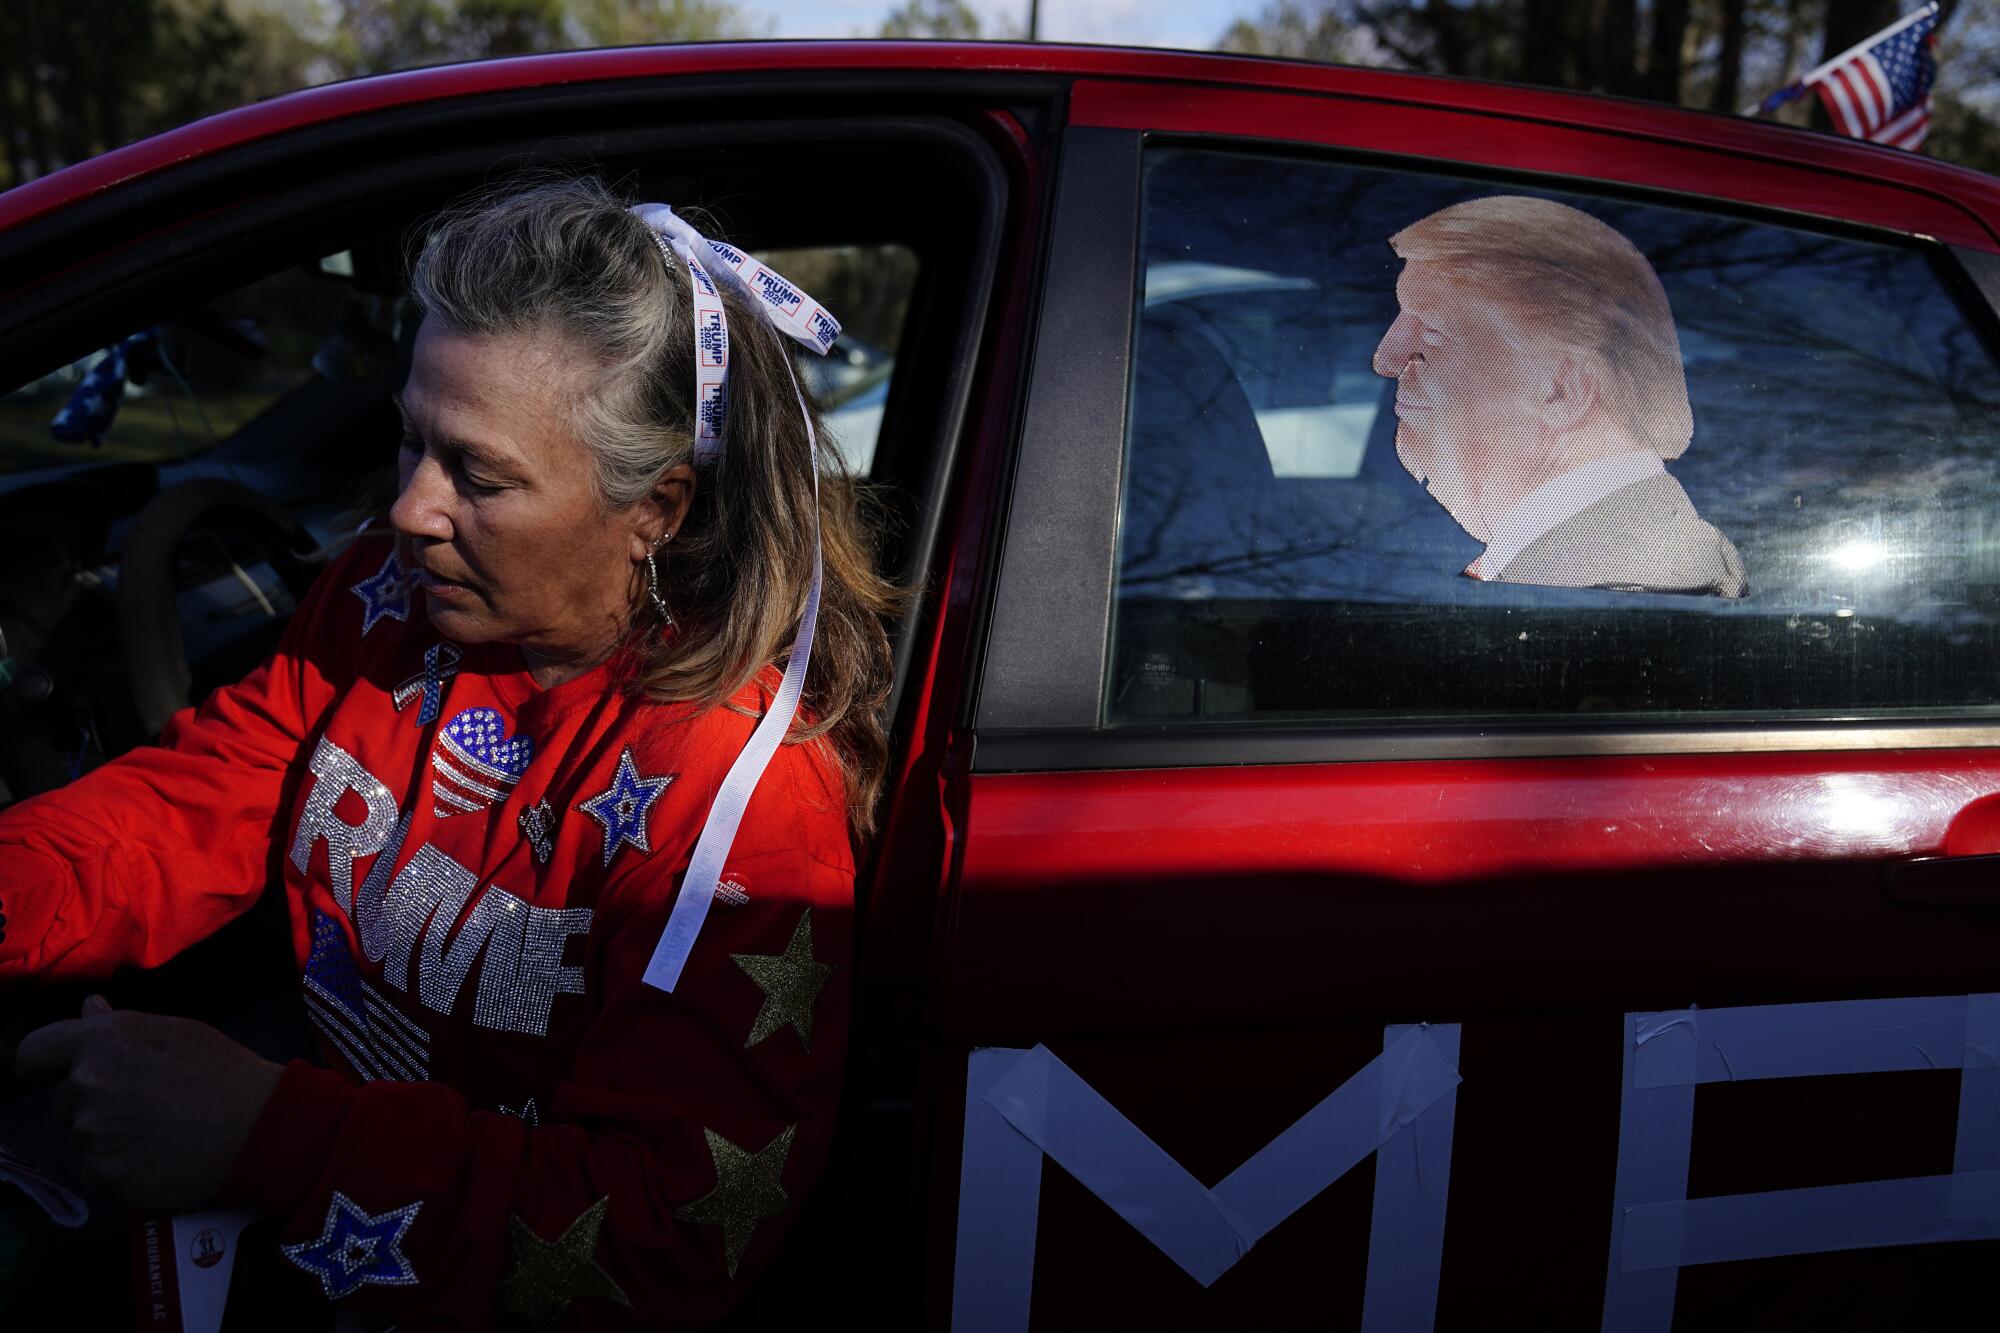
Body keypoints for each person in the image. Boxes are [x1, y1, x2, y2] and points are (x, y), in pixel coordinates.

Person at [0, 176, 899, 1328]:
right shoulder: (390, 590)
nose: (410, 506)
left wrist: (265, 1136)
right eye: (411, 440)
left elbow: (662, 1236)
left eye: (477, 475)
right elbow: (211, 792)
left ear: (658, 508)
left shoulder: (739, 806)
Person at [1372, 194, 1747, 598]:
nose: (1385, 359)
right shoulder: (1627, 561)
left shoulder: (1618, 582)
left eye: (1432, 333)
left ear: (1561, 390)